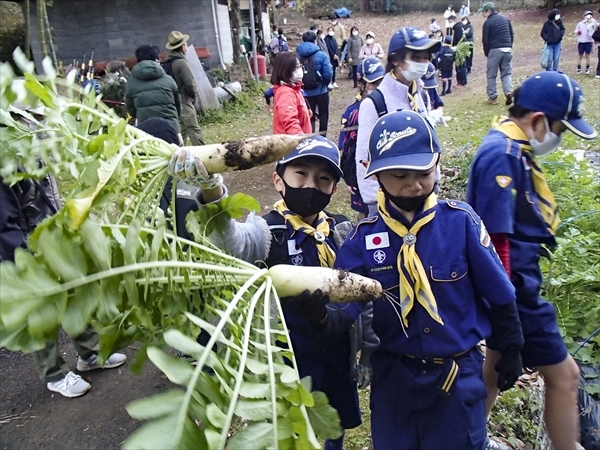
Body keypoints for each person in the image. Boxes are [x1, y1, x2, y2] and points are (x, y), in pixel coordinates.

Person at [168, 136, 377, 450]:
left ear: (333, 190)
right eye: (301, 174)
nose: (311, 186)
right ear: (278, 181)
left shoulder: (340, 232)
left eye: (324, 179)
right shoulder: (267, 232)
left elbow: (360, 295)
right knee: (288, 429)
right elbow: (232, 244)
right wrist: (211, 189)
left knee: (335, 419)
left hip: (336, 352)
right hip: (285, 362)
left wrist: (367, 354)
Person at [335, 109, 524, 450]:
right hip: (395, 377)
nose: (413, 183)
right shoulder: (362, 238)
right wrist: (322, 315)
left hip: (455, 374)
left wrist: (511, 344)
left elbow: (498, 292)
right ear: (374, 175)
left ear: (437, 161)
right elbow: (344, 301)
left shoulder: (462, 223)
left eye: (423, 171)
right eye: (399, 175)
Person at [467, 71, 598, 450]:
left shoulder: (513, 150)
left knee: (493, 371)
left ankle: (470, 437)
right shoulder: (502, 157)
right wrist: (507, 315)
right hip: (516, 293)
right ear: (539, 120)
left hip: (510, 291)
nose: (559, 138)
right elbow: (496, 242)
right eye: (560, 128)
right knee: (567, 376)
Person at [0, 102, 127, 398]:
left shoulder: (28, 141)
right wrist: (21, 258)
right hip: (23, 246)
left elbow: (46, 192)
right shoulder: (5, 154)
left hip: (50, 236)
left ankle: (91, 354)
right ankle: (54, 374)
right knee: (40, 310)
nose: (36, 125)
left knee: (73, 292)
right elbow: (4, 220)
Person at [355, 27, 442, 217]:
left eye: (426, 58)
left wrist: (434, 180)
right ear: (395, 60)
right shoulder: (375, 103)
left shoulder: (421, 95)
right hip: (391, 198)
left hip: (424, 191)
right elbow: (363, 157)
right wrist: (372, 203)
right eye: (416, 58)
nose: (423, 64)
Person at [339, 56, 385, 221]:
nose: (379, 88)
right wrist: (349, 179)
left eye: (382, 82)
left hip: (386, 172)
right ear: (361, 84)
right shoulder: (353, 113)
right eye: (374, 84)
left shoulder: (388, 105)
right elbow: (345, 150)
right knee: (366, 214)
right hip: (362, 175)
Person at [125, 45, 181, 136]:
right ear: (156, 60)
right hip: (171, 128)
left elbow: (131, 108)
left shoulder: (131, 83)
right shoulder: (169, 80)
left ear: (138, 61)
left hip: (146, 130)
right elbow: (177, 105)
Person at [163, 31, 204, 146]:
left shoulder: (167, 62)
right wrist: (192, 97)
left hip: (172, 101)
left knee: (180, 131)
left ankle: (178, 154)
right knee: (193, 128)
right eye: (185, 44)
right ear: (182, 47)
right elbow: (189, 83)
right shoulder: (181, 63)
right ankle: (201, 153)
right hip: (184, 100)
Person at [297, 31, 333, 136]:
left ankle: (310, 137)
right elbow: (328, 73)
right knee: (323, 115)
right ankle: (322, 137)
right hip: (321, 91)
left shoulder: (297, 56)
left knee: (309, 116)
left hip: (305, 93)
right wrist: (325, 84)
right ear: (315, 41)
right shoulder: (322, 55)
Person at [270, 52, 312, 135]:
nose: (299, 70)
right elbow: (290, 122)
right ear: (285, 70)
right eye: (296, 67)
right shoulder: (285, 93)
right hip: (291, 144)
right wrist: (302, 141)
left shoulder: (294, 89)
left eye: (300, 66)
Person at [480, 2, 514, 106]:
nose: (482, 14)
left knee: (491, 75)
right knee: (506, 73)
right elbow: (511, 34)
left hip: (495, 50)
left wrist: (487, 53)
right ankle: (508, 92)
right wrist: (509, 45)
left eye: (483, 12)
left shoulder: (488, 22)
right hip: (507, 49)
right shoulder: (505, 19)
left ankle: (493, 97)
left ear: (488, 11)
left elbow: (485, 40)